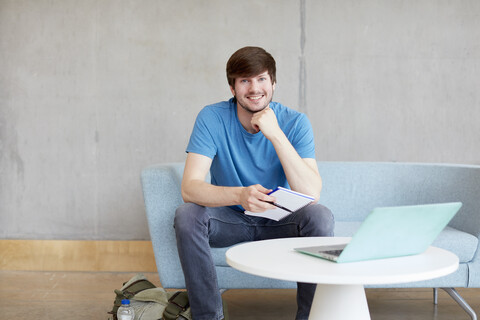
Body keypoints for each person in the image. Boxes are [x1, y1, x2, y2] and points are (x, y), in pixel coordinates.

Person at [174, 46, 334, 320]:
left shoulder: (295, 122)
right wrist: (239, 195)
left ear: (273, 83)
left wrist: (275, 134)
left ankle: (311, 317)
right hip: (230, 220)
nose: (254, 88)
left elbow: (311, 193)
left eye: (261, 79)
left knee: (320, 217)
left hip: (279, 220)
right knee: (187, 216)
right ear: (233, 87)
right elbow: (190, 188)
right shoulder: (212, 118)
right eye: (245, 80)